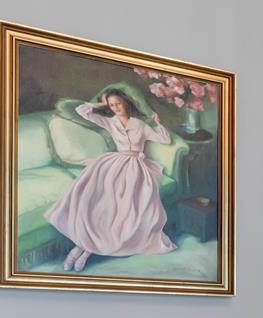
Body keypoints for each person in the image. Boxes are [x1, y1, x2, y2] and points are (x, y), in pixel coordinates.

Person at [45, 85, 177, 271]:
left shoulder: (140, 125)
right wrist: (101, 103)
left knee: (120, 209)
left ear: (126, 103)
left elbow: (165, 140)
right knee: (100, 204)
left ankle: (85, 251)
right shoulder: (110, 122)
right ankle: (80, 249)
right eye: (112, 105)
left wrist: (158, 123)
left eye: (118, 104)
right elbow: (82, 111)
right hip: (113, 163)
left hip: (135, 167)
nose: (115, 108)